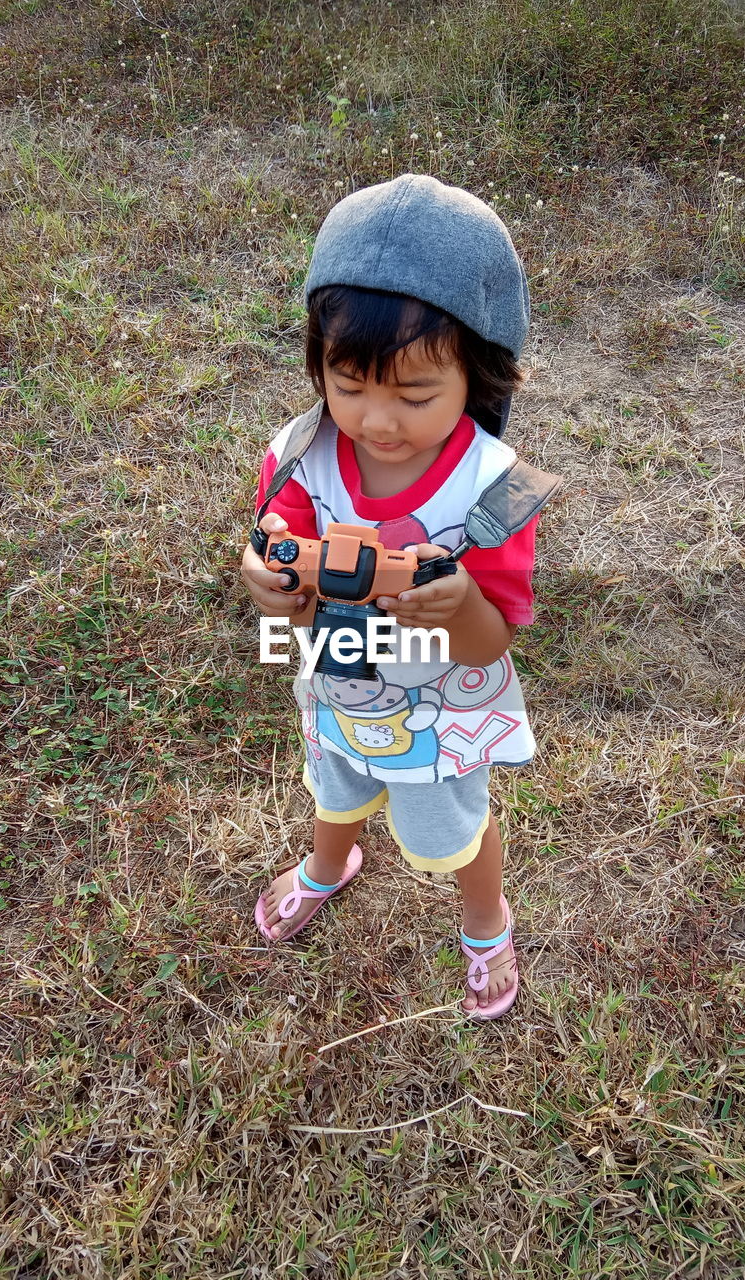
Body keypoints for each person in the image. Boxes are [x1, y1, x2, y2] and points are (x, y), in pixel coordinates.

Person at [240, 174, 558, 1020]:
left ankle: (486, 920)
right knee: (334, 786)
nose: (377, 420)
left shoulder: (493, 491)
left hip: (439, 712)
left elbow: (491, 644)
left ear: (480, 375)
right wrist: (266, 579)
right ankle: (326, 864)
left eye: (415, 395)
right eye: (349, 386)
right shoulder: (304, 449)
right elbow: (275, 537)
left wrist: (457, 608)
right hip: (337, 686)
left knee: (453, 829)